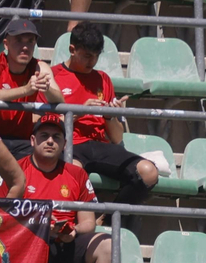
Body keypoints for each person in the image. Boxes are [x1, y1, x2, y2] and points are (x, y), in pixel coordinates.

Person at [49, 23, 159, 203]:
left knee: (148, 172)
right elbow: (41, 123)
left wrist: (110, 116)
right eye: (87, 56)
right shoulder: (53, 76)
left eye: (96, 56)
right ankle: (76, 227)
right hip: (69, 144)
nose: (91, 61)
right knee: (71, 173)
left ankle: (109, 220)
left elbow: (116, 138)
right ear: (72, 49)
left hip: (101, 146)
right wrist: (79, 113)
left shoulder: (103, 79)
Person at [0, 114, 112, 263]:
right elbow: (0, 217)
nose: (50, 141)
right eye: (44, 136)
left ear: (65, 144)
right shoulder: (15, 171)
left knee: (108, 246)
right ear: (33, 141)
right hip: (28, 239)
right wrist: (39, 224)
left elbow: (88, 222)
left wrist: (74, 231)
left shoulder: (77, 173)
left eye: (56, 137)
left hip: (65, 243)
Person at [0, 19, 61, 160]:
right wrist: (25, 90)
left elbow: (60, 101)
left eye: (30, 41)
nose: (25, 47)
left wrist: (47, 89)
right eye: (19, 41)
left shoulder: (39, 67)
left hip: (23, 142)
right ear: (6, 44)